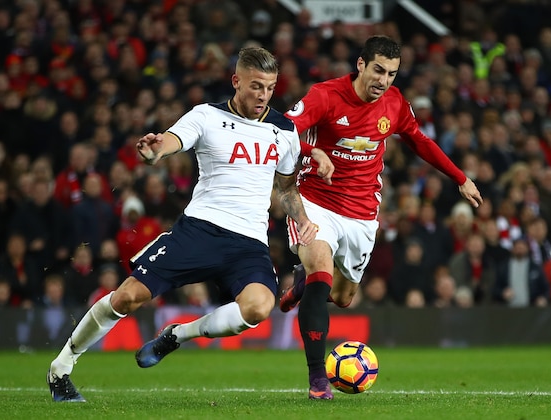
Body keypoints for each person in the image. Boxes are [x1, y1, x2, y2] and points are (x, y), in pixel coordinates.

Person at [46, 47, 318, 403]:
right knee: (127, 298)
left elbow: (285, 188)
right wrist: (156, 150)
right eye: (255, 86)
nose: (263, 95)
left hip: (249, 244)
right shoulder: (205, 116)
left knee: (257, 308)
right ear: (236, 81)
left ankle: (177, 335)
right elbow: (172, 141)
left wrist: (303, 219)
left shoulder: (284, 130)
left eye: (269, 87)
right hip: (199, 230)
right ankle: (61, 369)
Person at [279, 35, 482, 400]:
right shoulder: (325, 96)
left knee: (341, 297)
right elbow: (284, 130)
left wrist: (460, 178)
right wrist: (313, 151)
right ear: (360, 64)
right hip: (315, 200)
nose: (383, 80)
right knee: (321, 274)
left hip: (362, 213)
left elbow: (419, 140)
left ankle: (301, 284)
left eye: (391, 73)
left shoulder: (394, 103)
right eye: (377, 70)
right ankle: (317, 379)